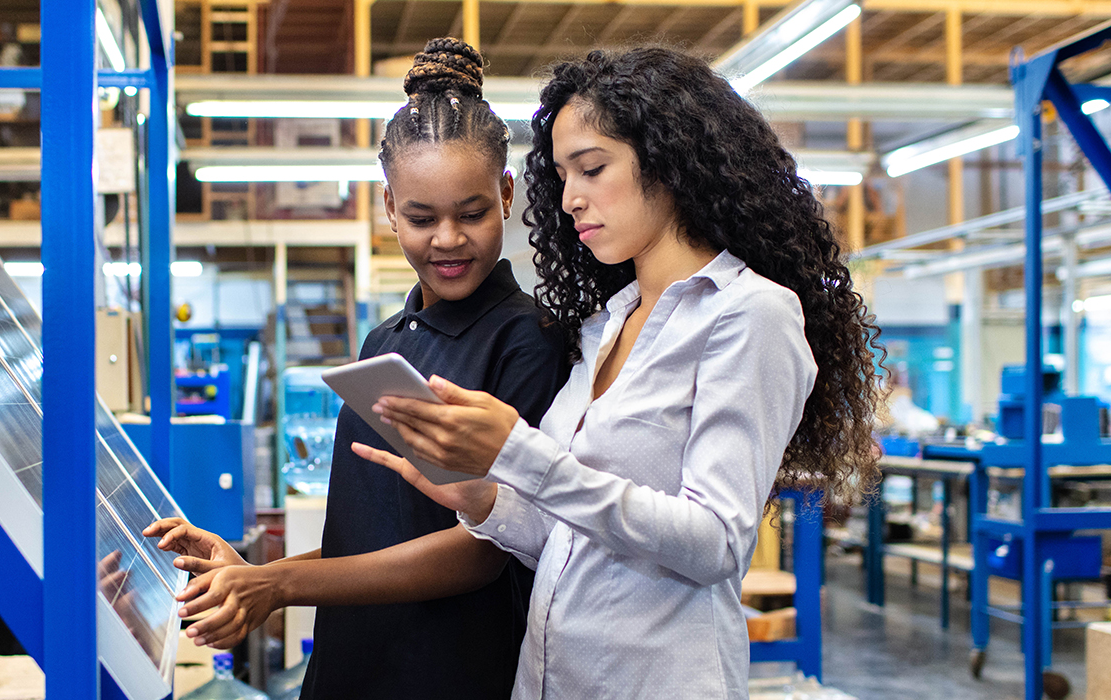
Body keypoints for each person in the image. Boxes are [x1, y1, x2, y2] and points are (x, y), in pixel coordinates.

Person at [355, 47, 883, 699]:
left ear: (668, 159)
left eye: (593, 169)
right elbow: (564, 531)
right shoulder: (605, 327)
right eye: (562, 175)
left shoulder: (748, 315)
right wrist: (481, 497)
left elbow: (715, 541)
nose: (571, 198)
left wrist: (518, 452)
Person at [142, 38, 570, 700]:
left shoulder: (526, 342)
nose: (448, 238)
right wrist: (256, 570)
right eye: (422, 217)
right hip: (351, 672)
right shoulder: (383, 344)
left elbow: (483, 550)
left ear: (507, 194)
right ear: (390, 209)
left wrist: (276, 586)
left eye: (473, 212)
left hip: (450, 679)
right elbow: (368, 538)